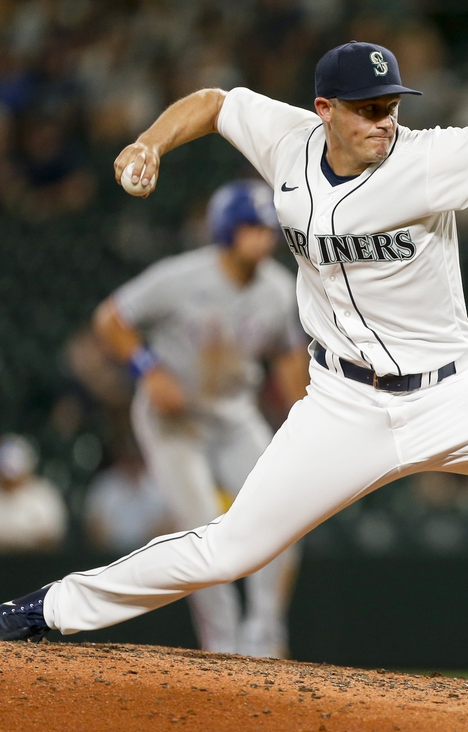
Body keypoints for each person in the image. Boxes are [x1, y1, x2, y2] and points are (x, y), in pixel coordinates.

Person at [0, 41, 468, 701]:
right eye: (366, 108)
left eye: (390, 105)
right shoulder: (287, 142)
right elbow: (212, 102)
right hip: (341, 406)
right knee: (232, 548)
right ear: (324, 109)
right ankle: (51, 609)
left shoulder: (430, 158)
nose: (383, 120)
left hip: (455, 392)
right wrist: (149, 142)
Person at [87, 179, 309, 657]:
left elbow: (290, 362)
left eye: (267, 228)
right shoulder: (181, 277)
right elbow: (110, 318)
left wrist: (307, 420)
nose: (263, 238)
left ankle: (264, 635)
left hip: (232, 416)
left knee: (285, 513)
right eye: (252, 227)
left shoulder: (277, 289)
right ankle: (222, 646)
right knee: (202, 533)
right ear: (227, 229)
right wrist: (147, 369)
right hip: (174, 424)